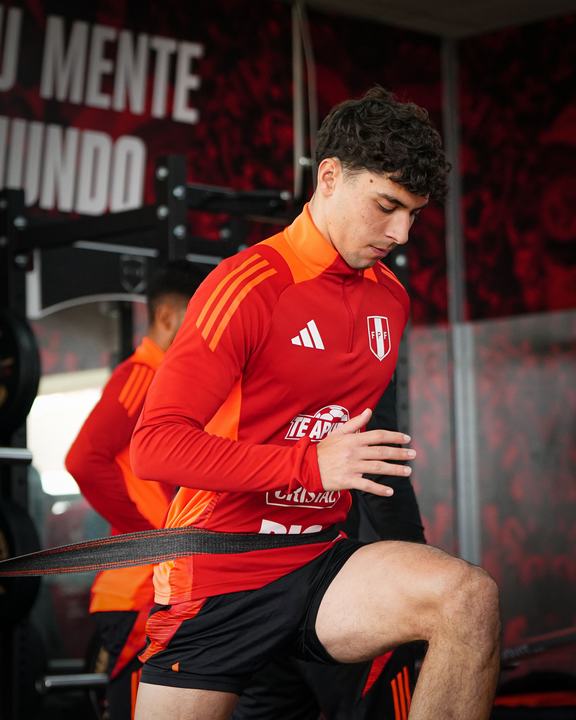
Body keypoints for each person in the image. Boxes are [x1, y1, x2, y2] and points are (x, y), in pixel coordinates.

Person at [130, 86, 501, 720]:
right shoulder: (249, 286)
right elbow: (154, 445)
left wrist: (405, 542)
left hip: (320, 567)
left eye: (414, 214)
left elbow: (371, 452)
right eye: (387, 206)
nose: (400, 232)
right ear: (329, 178)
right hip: (220, 575)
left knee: (467, 597)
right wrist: (308, 466)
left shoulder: (391, 299)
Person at [65, 260, 206, 720]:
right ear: (166, 317)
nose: (207, 333)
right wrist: (145, 535)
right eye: (197, 318)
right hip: (137, 594)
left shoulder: (174, 384)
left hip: (164, 588)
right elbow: (83, 460)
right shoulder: (143, 377)